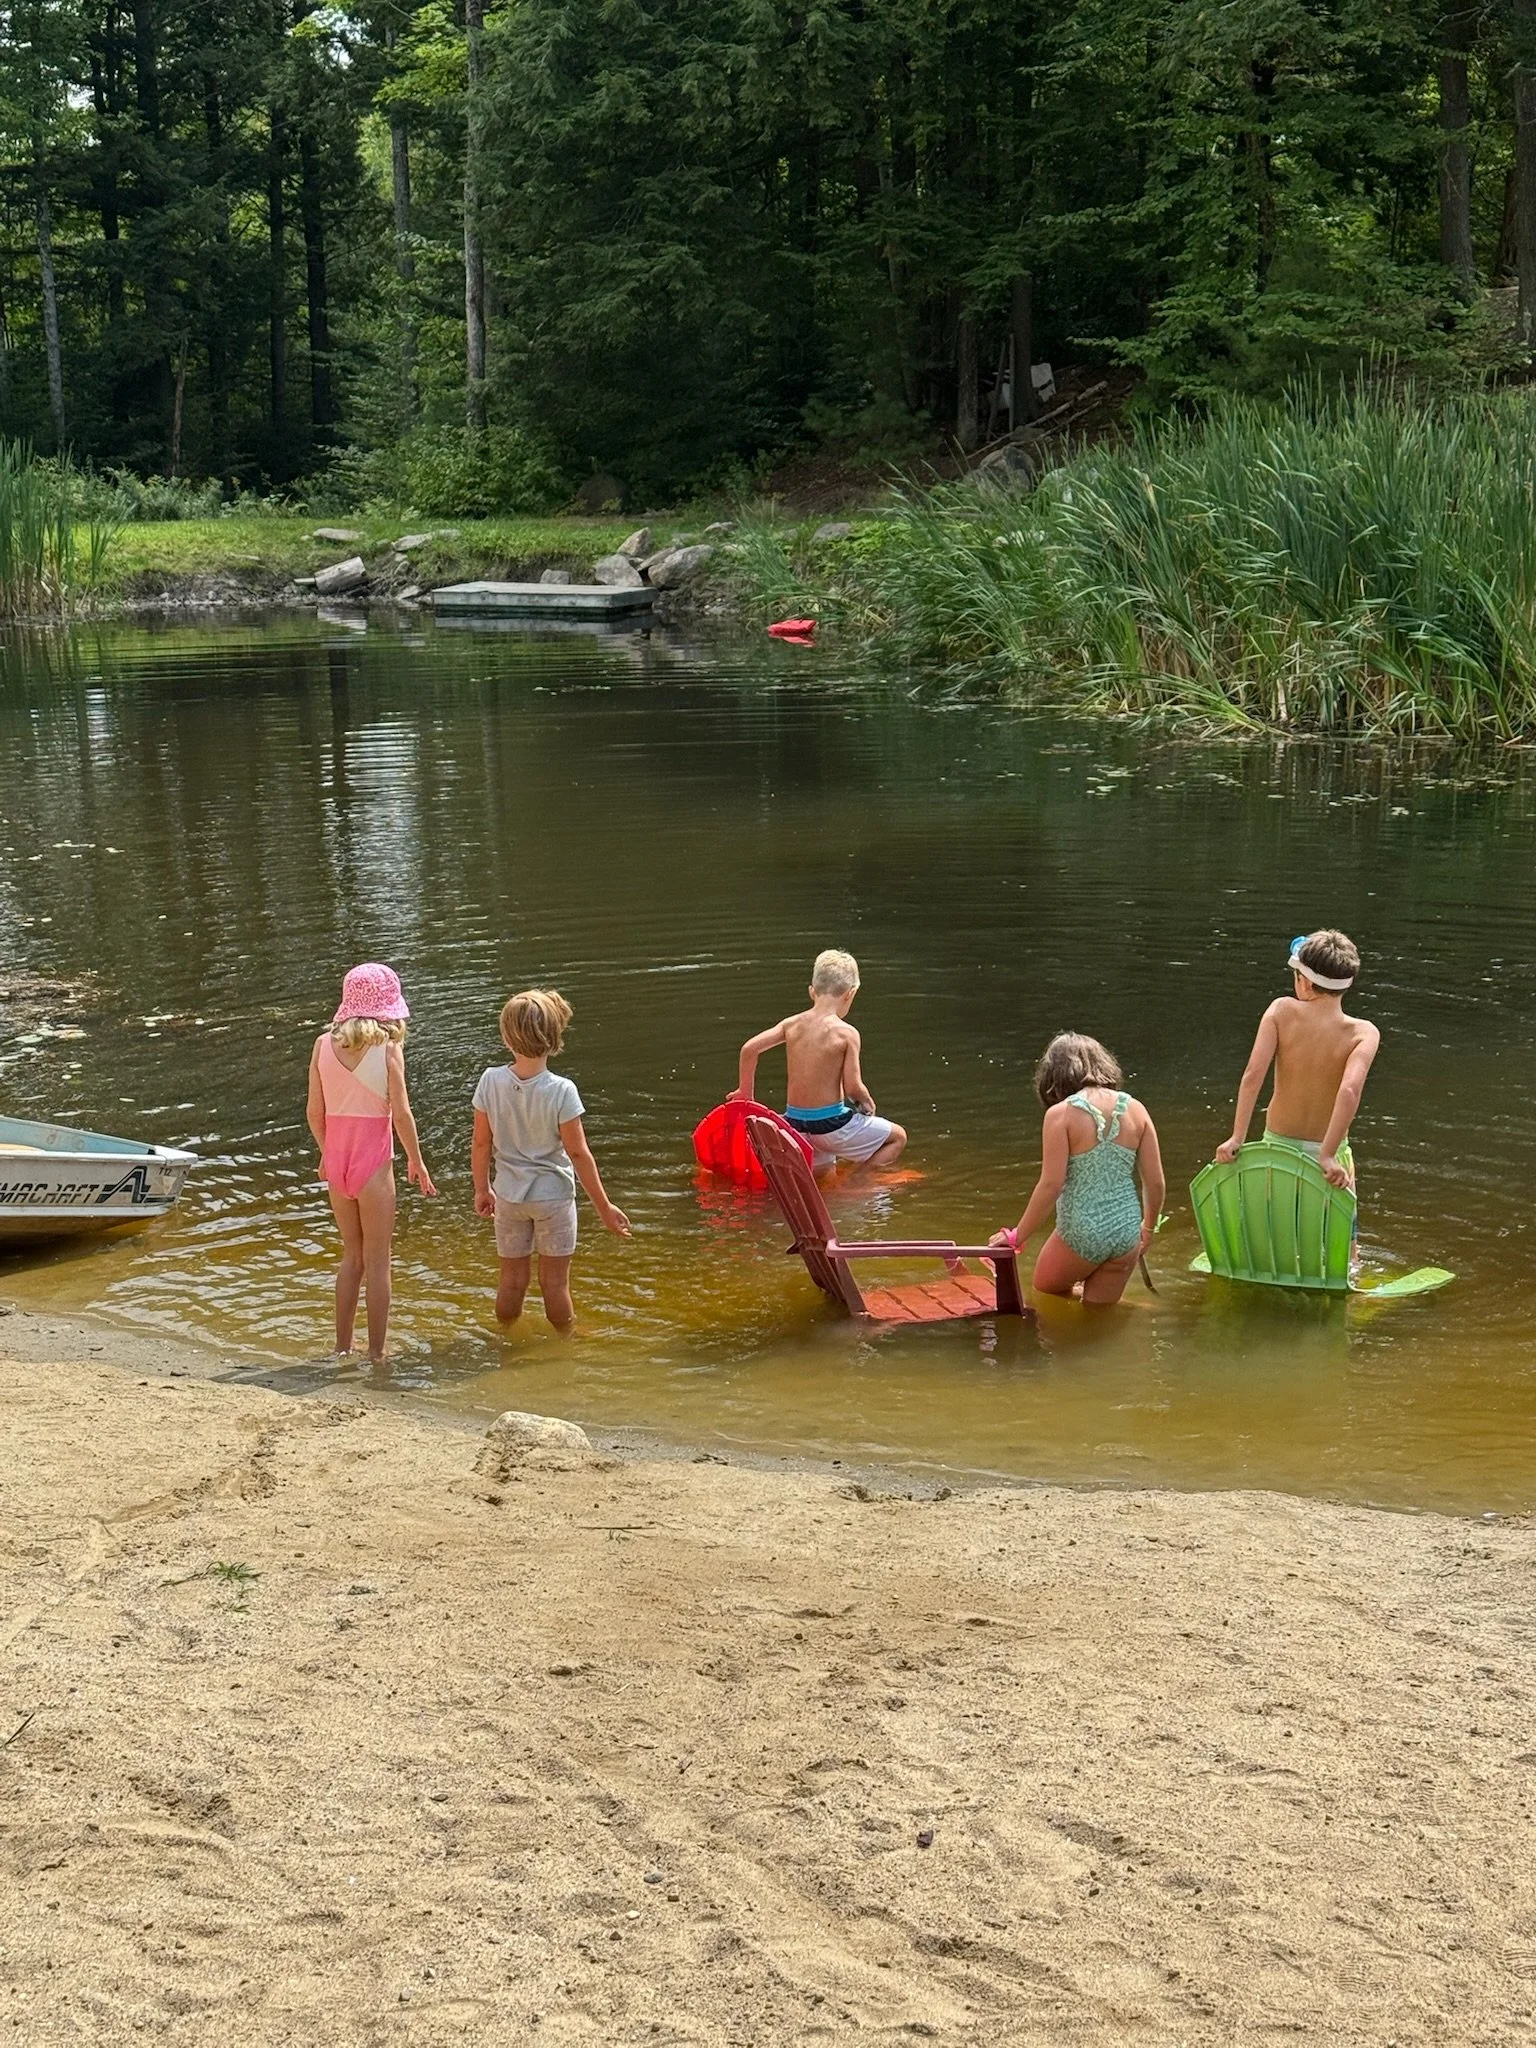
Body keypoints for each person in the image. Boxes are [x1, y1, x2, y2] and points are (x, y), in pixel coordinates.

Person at [471, 988, 630, 1329]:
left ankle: (504, 1337)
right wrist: (604, 1207)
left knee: (511, 1281)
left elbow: (481, 1144)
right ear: (555, 1037)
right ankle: (565, 1346)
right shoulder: (561, 1090)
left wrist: (482, 1189)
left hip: (510, 1197)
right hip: (553, 1198)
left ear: (506, 1037)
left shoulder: (490, 1081)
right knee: (554, 1284)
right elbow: (577, 1153)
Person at [306, 962, 436, 1364]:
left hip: (338, 1163)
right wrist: (416, 1159)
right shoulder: (388, 1049)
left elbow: (314, 1111)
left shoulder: (321, 1045)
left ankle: (342, 1345)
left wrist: (328, 1152)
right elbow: (401, 1113)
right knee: (379, 1260)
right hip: (374, 1166)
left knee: (352, 1257)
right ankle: (377, 1351)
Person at [990, 1033, 1164, 1305]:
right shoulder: (1137, 1110)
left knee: (1044, 1291)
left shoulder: (1061, 1115)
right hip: (1126, 1230)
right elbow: (1155, 1183)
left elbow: (1051, 1185)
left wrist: (1017, 1236)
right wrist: (1148, 1228)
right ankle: (1133, 1312)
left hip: (1082, 1231)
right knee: (1098, 1316)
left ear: (1055, 1077)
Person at [1216, 929, 1378, 1192]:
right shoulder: (1364, 1033)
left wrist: (1238, 1137)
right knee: (1333, 1231)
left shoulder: (1281, 1011)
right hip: (1330, 1157)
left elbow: (1252, 1075)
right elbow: (1349, 1091)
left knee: (1276, 1227)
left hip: (1278, 1149)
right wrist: (1326, 1155)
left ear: (1303, 982)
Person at [728, 948, 907, 1171]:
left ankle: (827, 1189)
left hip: (795, 1126)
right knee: (897, 1137)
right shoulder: (846, 1033)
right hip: (831, 1126)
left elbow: (749, 1049)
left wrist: (746, 1094)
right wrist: (868, 1103)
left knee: (822, 1174)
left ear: (812, 992)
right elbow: (853, 1087)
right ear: (850, 994)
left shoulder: (791, 1024)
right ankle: (856, 1187)